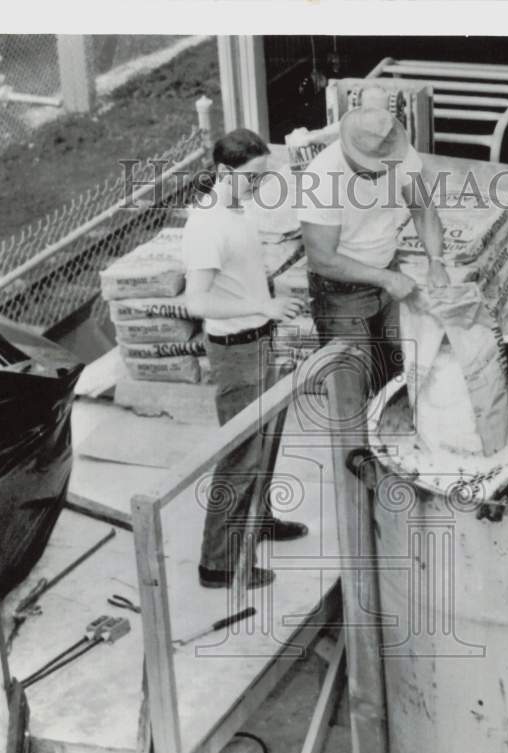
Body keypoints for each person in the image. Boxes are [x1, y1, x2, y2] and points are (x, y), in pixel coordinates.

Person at [183, 128, 307, 591]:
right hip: (236, 352)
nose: (260, 186)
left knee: (267, 441)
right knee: (240, 455)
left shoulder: (237, 208)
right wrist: (262, 307)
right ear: (223, 172)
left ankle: (258, 520)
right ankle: (217, 563)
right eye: (253, 177)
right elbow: (196, 303)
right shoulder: (207, 225)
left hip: (260, 338)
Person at [297, 97, 449, 392]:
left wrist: (436, 262)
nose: (383, 170)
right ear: (351, 151)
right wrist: (387, 278)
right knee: (351, 385)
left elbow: (423, 209)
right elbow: (321, 259)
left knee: (395, 373)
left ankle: (389, 433)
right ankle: (356, 439)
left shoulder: (398, 153)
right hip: (340, 295)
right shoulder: (322, 178)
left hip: (386, 277)